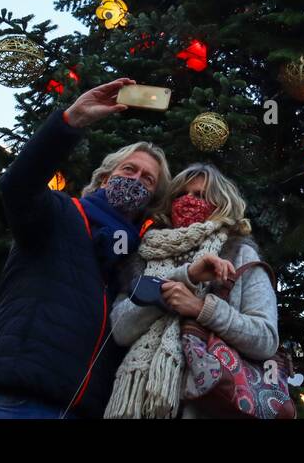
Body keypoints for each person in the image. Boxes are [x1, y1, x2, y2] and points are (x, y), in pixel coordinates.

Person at [0, 78, 171, 419]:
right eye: (128, 169)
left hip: (87, 410)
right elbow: (18, 185)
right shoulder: (59, 214)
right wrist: (71, 121)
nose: (135, 180)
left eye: (147, 179)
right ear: (105, 178)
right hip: (18, 403)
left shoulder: (139, 258)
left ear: (152, 197)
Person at [105, 162, 280, 418]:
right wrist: (182, 279)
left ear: (220, 205)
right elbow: (120, 330)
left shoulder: (239, 253)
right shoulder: (144, 255)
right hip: (139, 405)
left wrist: (202, 308)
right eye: (180, 195)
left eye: (200, 196)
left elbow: (265, 339)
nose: (188, 201)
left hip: (208, 405)